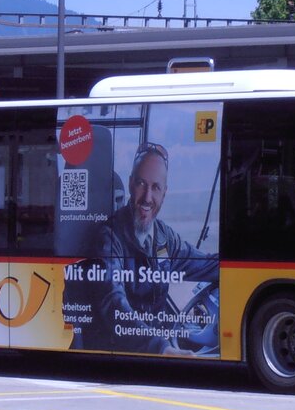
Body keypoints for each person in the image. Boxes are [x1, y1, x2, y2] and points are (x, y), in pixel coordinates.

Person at [88, 142, 219, 354]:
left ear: (164, 193)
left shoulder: (165, 237)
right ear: (131, 184)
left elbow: (204, 265)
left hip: (157, 345)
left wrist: (242, 263)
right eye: (141, 184)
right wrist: (162, 348)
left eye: (156, 187)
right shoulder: (110, 238)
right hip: (124, 352)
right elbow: (113, 303)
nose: (147, 198)